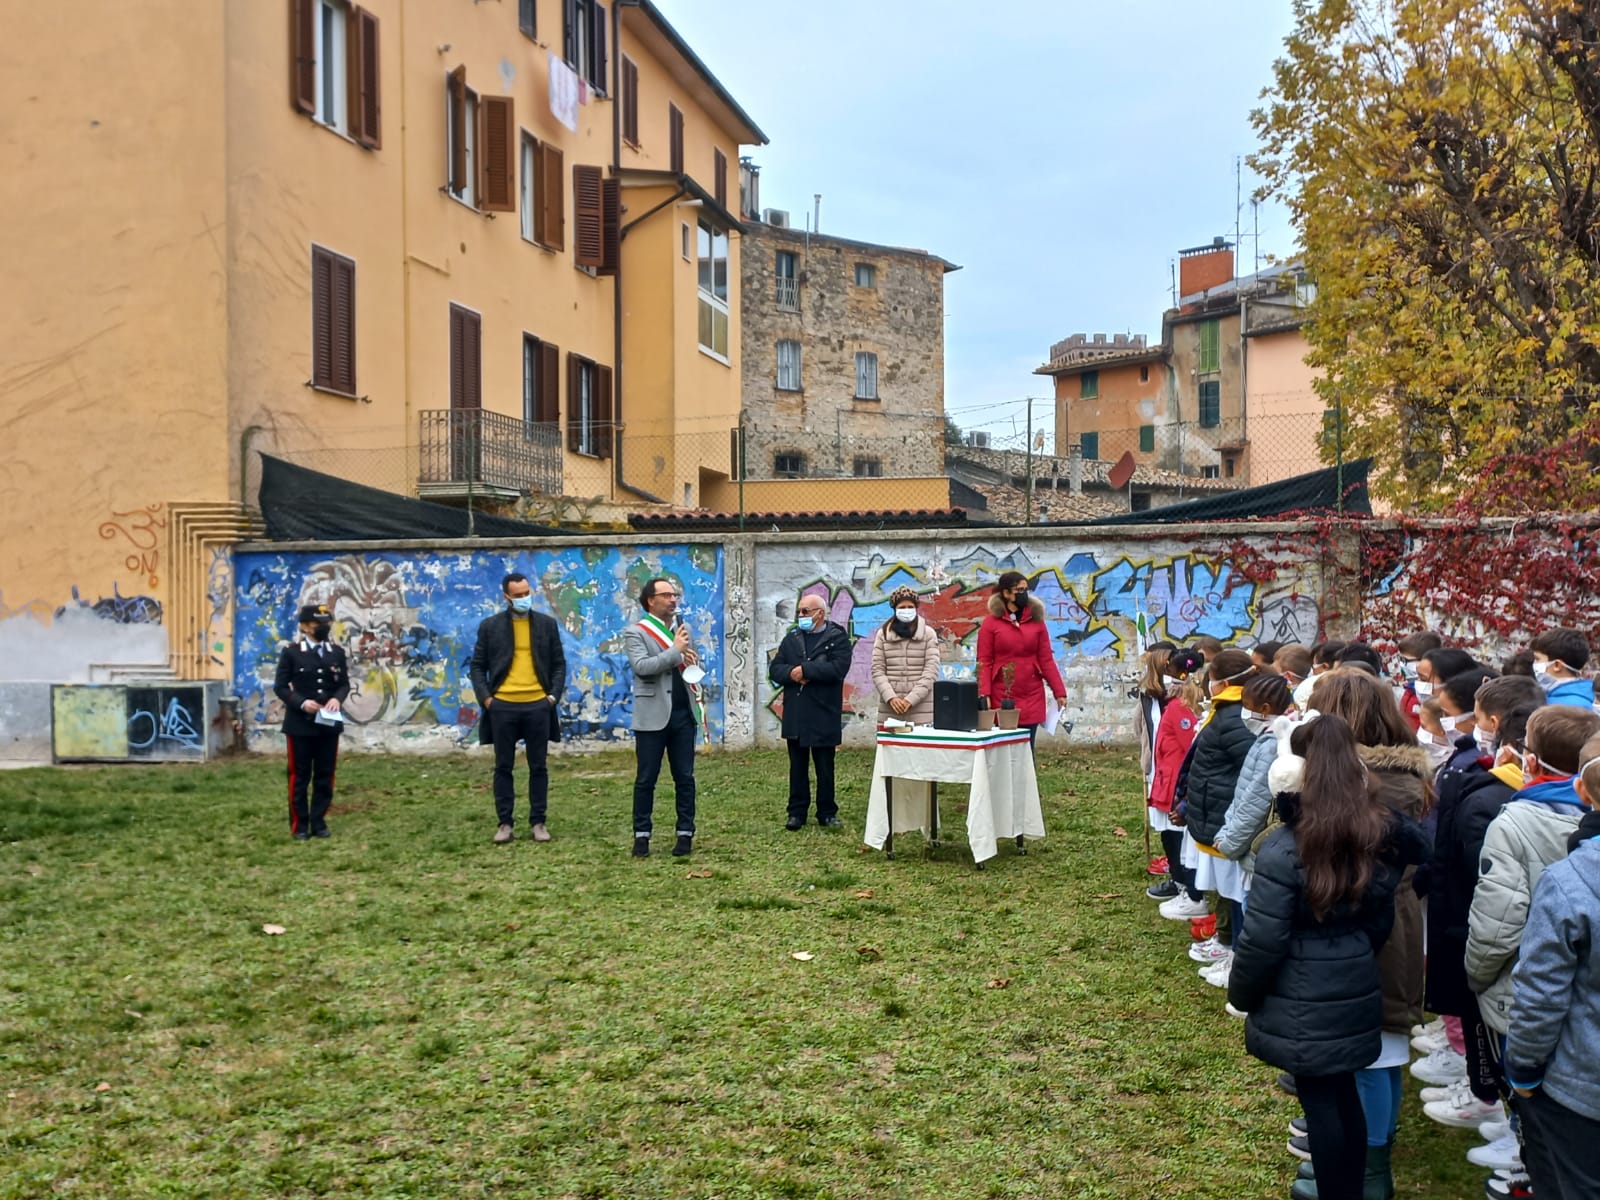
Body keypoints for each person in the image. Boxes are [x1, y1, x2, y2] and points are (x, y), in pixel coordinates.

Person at [1229, 713, 1428, 1200]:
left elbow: (1263, 938)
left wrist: (1243, 993)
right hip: (1356, 980)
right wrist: (1355, 949)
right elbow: (1382, 915)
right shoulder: (1380, 834)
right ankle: (1356, 1186)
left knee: (1322, 1102)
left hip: (1300, 997)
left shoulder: (1284, 848)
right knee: (1344, 1093)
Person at [1304, 670, 1433, 1174]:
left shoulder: (1367, 786)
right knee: (1386, 1041)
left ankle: (1370, 1163)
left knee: (1374, 1048)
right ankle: (1374, 1145)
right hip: (1394, 919)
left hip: (1369, 925)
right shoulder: (1404, 776)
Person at [1505, 752, 1600, 1200]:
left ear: (1582, 792)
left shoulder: (1569, 880)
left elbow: (1541, 993)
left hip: (1582, 1084)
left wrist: (1522, 1067)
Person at [1163, 648, 1258, 934]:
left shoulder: (1235, 717)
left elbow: (1248, 771)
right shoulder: (1223, 711)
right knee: (1227, 889)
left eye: (1212, 680)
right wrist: (1186, 805)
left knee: (1235, 890)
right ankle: (1226, 940)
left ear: (1225, 684)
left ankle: (1234, 948)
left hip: (1225, 813)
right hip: (1213, 809)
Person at [470, 572, 567, 845]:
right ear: (506, 597)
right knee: (503, 766)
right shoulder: (490, 627)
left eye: (527, 593)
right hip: (503, 707)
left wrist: (552, 698)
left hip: (538, 706)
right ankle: (505, 823)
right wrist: (488, 700)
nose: (524, 598)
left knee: (539, 766)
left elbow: (559, 664)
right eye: (518, 595)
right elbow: (477, 666)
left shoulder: (546, 625)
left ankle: (538, 821)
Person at [623, 577, 701, 858]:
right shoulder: (636, 632)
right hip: (652, 715)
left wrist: (692, 662)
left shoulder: (683, 629)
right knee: (646, 778)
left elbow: (689, 662)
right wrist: (675, 652)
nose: (673, 600)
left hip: (683, 714)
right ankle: (641, 836)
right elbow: (643, 667)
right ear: (650, 601)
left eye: (674, 594)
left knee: (685, 777)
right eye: (666, 595)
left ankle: (685, 833)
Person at [770, 593, 853, 831]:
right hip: (796, 712)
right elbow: (776, 669)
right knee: (797, 766)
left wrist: (805, 669)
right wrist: (792, 674)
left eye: (805, 611)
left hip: (824, 711)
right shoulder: (792, 639)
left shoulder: (837, 638)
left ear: (820, 613)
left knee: (825, 766)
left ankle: (827, 812)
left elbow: (838, 668)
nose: (800, 616)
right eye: (799, 611)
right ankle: (797, 812)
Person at [273, 602, 350, 840]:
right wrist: (301, 703)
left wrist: (337, 699)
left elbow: (343, 683)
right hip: (300, 725)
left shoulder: (336, 653)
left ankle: (319, 821)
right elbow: (281, 687)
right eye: (318, 624)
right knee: (300, 775)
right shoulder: (292, 653)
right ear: (305, 627)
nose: (323, 627)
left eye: (326, 623)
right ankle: (300, 825)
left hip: (328, 723)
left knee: (325, 775)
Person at [976, 571, 1066, 747]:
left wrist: (1059, 692)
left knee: (1027, 747)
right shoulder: (990, 624)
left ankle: (1028, 775)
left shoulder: (1036, 621)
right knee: (1003, 748)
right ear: (1006, 593)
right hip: (1002, 695)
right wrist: (984, 694)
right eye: (1019, 590)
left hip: (1032, 694)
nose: (1024, 594)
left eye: (1026, 589)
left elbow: (1046, 659)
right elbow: (984, 661)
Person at [1146, 647, 1206, 904]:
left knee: (1175, 834)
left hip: (1175, 783)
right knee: (1168, 833)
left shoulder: (1180, 708)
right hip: (1166, 779)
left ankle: (1183, 884)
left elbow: (1187, 749)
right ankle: (1180, 880)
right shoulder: (1174, 705)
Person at [870, 586, 941, 725]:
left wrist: (911, 699)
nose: (906, 610)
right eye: (902, 607)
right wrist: (891, 698)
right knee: (891, 746)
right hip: (890, 708)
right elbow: (877, 670)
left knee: (919, 746)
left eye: (910, 606)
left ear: (916, 608)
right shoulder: (883, 634)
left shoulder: (928, 634)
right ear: (895, 609)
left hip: (922, 708)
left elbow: (931, 671)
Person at [1530, 628, 1595, 707]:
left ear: (1557, 665)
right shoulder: (1584, 696)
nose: (1534, 663)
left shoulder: (1561, 707)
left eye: (1537, 659)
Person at [1392, 631, 1443, 729]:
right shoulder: (1410, 689)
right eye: (1400, 659)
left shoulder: (1434, 693)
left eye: (1405, 660)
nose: (1401, 664)